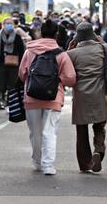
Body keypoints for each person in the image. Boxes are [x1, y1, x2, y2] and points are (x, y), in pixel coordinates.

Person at [19, 20, 77, 175]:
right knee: (49, 132)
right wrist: (58, 81)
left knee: (35, 132)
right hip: (54, 98)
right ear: (56, 35)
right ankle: (48, 166)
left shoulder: (29, 51)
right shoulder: (61, 54)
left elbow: (22, 74)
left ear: (40, 33)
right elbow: (71, 78)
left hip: (31, 98)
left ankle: (36, 162)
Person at [67, 22, 107, 173]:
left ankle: (85, 164)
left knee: (81, 130)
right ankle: (98, 151)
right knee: (99, 126)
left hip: (80, 95)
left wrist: (69, 48)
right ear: (93, 34)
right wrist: (103, 43)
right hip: (100, 93)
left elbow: (63, 67)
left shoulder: (73, 53)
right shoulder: (101, 49)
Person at [0, 17, 26, 112]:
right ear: (3, 25)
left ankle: (10, 106)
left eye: (11, 23)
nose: (9, 25)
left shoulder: (17, 37)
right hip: (0, 64)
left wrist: (20, 64)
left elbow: (21, 51)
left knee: (12, 86)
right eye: (7, 23)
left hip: (13, 65)